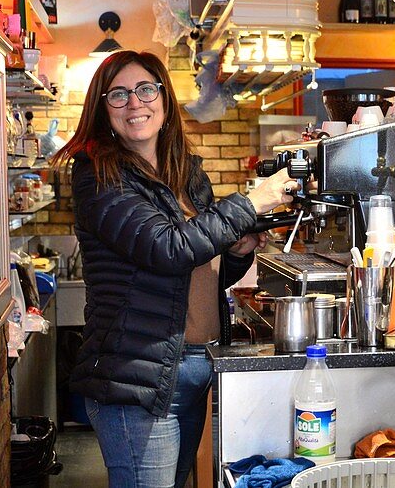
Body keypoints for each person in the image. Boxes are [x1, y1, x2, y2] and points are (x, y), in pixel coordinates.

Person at [51, 51, 296, 487]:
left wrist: (237, 249)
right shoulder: (99, 175)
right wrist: (250, 203)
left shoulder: (185, 173)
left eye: (146, 90)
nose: (135, 103)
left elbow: (199, 266)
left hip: (193, 368)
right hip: (137, 379)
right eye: (119, 95)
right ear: (103, 109)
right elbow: (168, 249)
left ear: (164, 101)